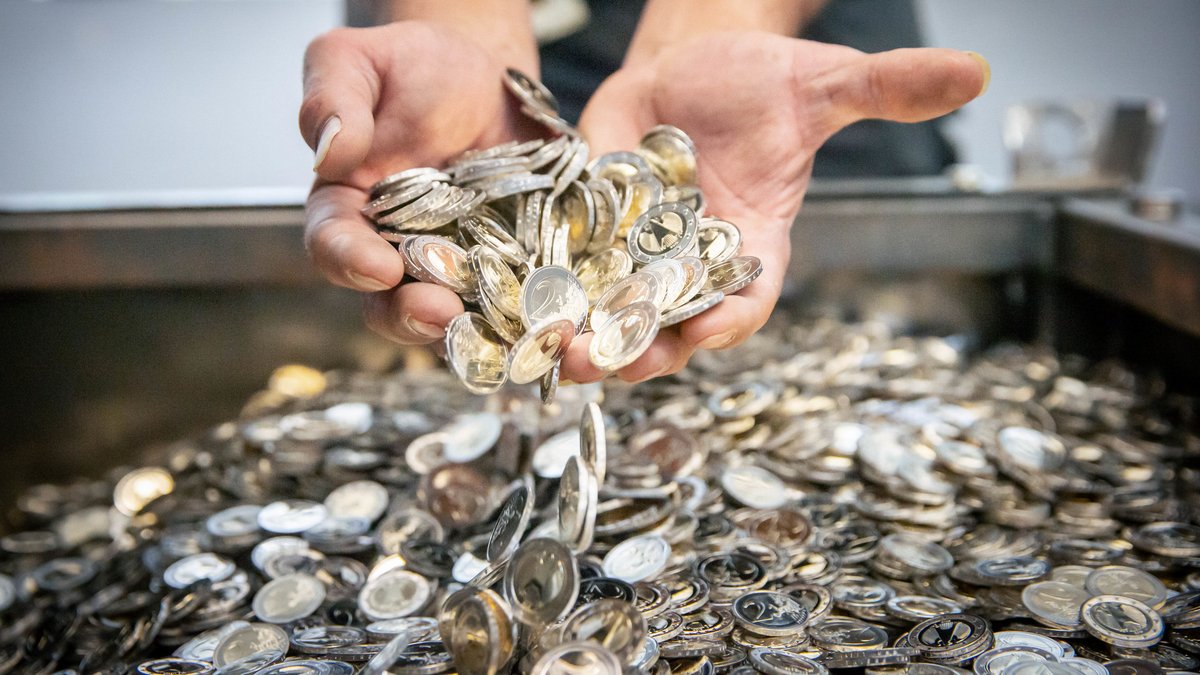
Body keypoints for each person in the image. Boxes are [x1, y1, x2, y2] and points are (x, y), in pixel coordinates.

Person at [299, 0, 989, 384]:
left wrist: (729, 15)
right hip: (509, 67)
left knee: (856, 299)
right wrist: (459, 25)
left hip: (755, 69)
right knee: (442, 310)